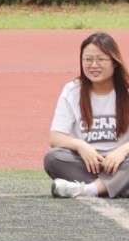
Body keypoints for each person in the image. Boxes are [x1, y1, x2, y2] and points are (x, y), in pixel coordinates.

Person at [46, 33, 129, 199]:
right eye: (88, 59)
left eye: (101, 59)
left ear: (114, 62)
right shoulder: (72, 91)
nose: (94, 65)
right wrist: (81, 146)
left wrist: (122, 150)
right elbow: (55, 137)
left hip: (123, 162)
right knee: (53, 158)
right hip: (88, 164)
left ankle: (90, 189)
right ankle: (119, 185)